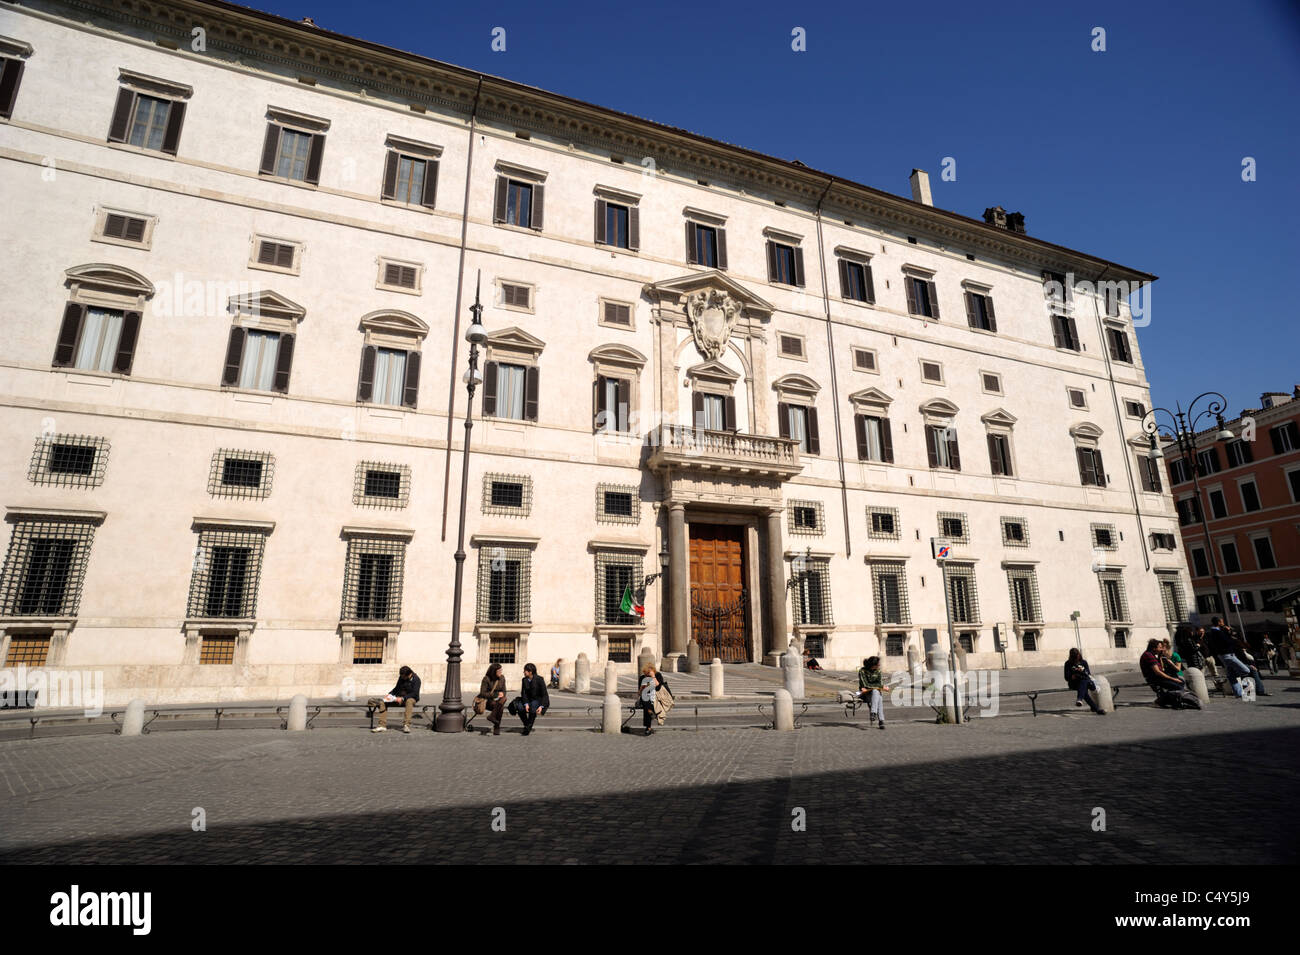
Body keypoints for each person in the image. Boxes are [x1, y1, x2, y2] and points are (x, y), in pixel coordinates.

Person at [1206, 617, 1270, 697]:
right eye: (1222, 622)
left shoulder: (1214, 632)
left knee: (1231, 674)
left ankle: (1239, 693)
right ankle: (1246, 690)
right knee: (1246, 670)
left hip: (1225, 655)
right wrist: (1228, 633)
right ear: (1219, 622)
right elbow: (1227, 642)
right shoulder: (1217, 632)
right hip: (1227, 655)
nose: (1223, 623)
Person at [1140, 638, 1196, 708]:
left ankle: (1166, 700)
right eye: (1160, 648)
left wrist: (1161, 657)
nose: (1162, 649)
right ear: (1154, 648)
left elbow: (1162, 669)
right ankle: (1163, 700)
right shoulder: (1148, 655)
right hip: (1155, 679)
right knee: (1179, 685)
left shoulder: (1152, 655)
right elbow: (1158, 672)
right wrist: (1173, 679)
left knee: (1181, 682)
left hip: (1159, 678)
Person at [368, 665, 421, 733]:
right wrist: (390, 695)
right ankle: (382, 725)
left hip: (411, 698)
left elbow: (415, 693)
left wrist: (403, 698)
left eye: (403, 676)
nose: (401, 677)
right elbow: (397, 688)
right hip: (398, 697)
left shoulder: (416, 680)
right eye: (401, 676)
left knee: (409, 701)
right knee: (383, 702)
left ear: (408, 675)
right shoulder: (401, 677)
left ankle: (406, 725)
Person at [1064, 648, 1105, 715]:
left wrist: (1082, 671)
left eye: (1076, 656)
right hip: (1074, 683)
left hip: (1085, 681)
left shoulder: (1084, 662)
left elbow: (1088, 674)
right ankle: (1095, 708)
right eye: (1074, 658)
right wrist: (1072, 676)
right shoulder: (1068, 663)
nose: (1076, 659)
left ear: (1079, 655)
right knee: (1084, 690)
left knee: (1083, 683)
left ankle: (1082, 700)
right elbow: (1066, 677)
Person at [515, 662, 550, 735]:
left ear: (530, 672)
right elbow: (523, 693)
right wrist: (526, 704)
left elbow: (544, 694)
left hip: (537, 700)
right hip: (527, 700)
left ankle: (528, 727)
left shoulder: (539, 679)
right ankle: (527, 725)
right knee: (520, 707)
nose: (523, 672)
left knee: (533, 708)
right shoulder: (524, 680)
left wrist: (541, 706)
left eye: (525, 671)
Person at [474, 662, 508, 736]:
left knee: (504, 698)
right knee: (500, 708)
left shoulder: (502, 678)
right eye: (498, 671)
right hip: (488, 701)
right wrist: (496, 695)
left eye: (501, 670)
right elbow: (482, 693)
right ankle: (496, 727)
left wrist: (502, 694)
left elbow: (504, 690)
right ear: (493, 671)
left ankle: (492, 716)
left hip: (499, 700)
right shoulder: (486, 679)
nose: (500, 672)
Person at [857, 656, 888, 730]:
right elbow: (865, 684)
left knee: (876, 693)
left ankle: (873, 713)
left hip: (875, 694)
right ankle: (881, 721)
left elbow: (880, 682)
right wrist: (880, 686)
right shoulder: (862, 671)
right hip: (865, 694)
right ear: (873, 665)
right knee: (877, 693)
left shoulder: (878, 671)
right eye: (878, 664)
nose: (879, 665)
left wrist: (880, 686)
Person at [636, 664, 659, 736]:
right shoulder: (642, 678)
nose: (647, 675)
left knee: (647, 706)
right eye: (647, 673)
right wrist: (643, 687)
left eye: (649, 673)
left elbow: (658, 685)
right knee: (645, 700)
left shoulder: (657, 676)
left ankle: (648, 728)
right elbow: (639, 691)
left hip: (655, 696)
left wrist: (653, 676)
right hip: (644, 696)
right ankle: (648, 727)